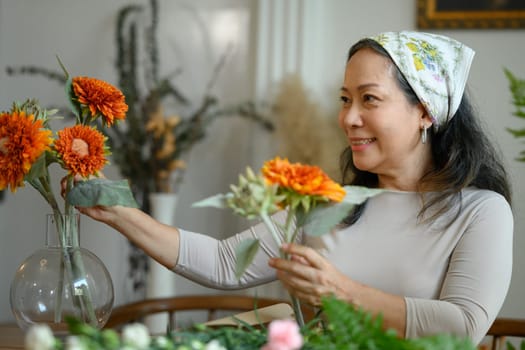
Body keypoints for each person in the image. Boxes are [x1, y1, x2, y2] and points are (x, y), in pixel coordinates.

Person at [70, 31, 513, 344]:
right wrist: (121, 212)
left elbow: (463, 326)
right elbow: (226, 263)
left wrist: (340, 291)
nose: (348, 118)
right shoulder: (326, 206)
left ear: (425, 111)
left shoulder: (480, 211)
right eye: (345, 99)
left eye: (369, 98)